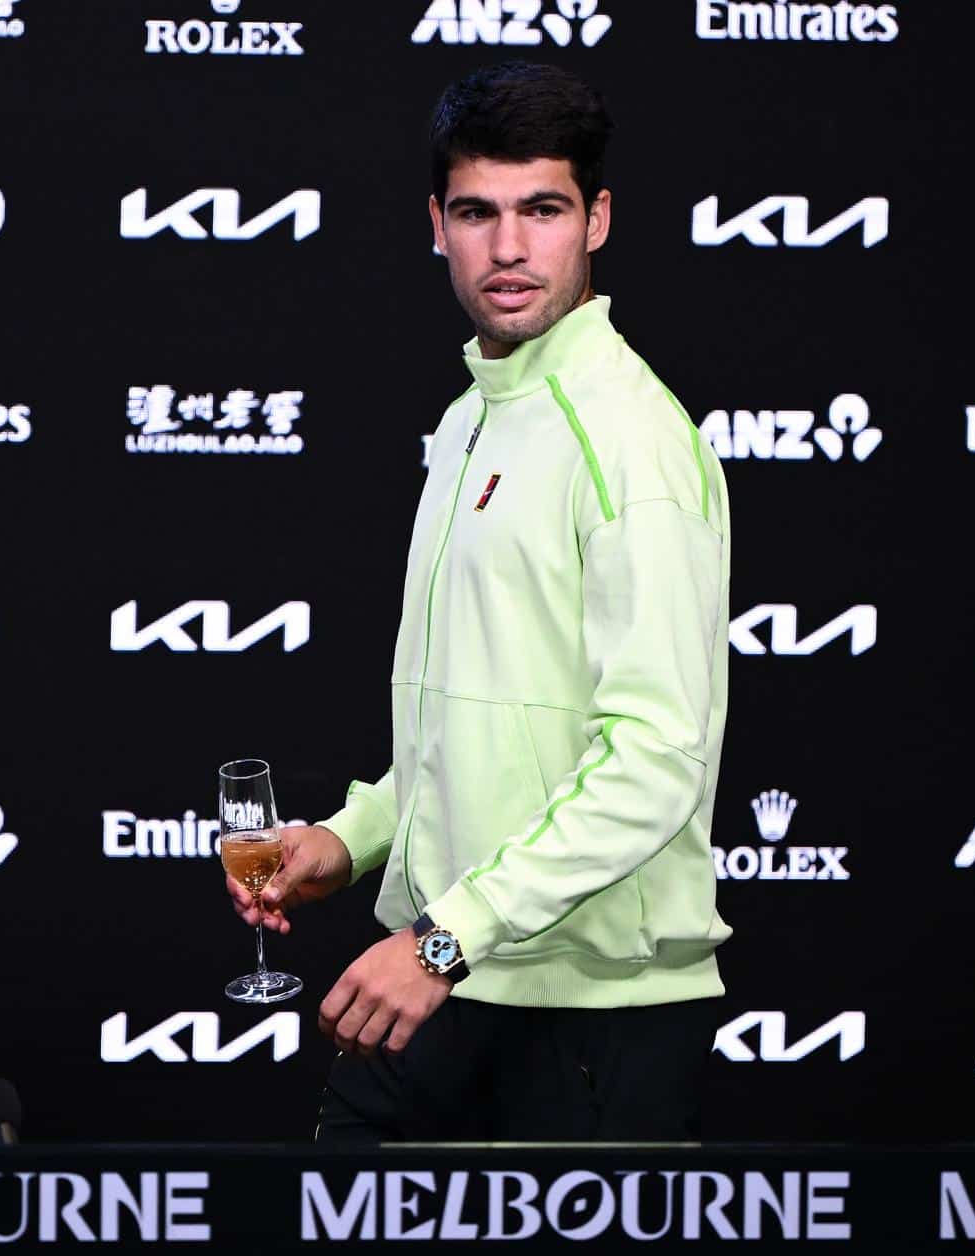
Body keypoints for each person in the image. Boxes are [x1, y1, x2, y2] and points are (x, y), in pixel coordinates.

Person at [224, 60, 733, 1143]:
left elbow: (654, 762)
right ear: (435, 224)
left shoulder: (628, 438)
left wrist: (445, 938)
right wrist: (354, 836)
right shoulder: (474, 416)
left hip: (584, 1023)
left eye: (542, 209)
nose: (508, 248)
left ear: (596, 218)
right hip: (451, 981)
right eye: (477, 212)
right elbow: (485, 731)